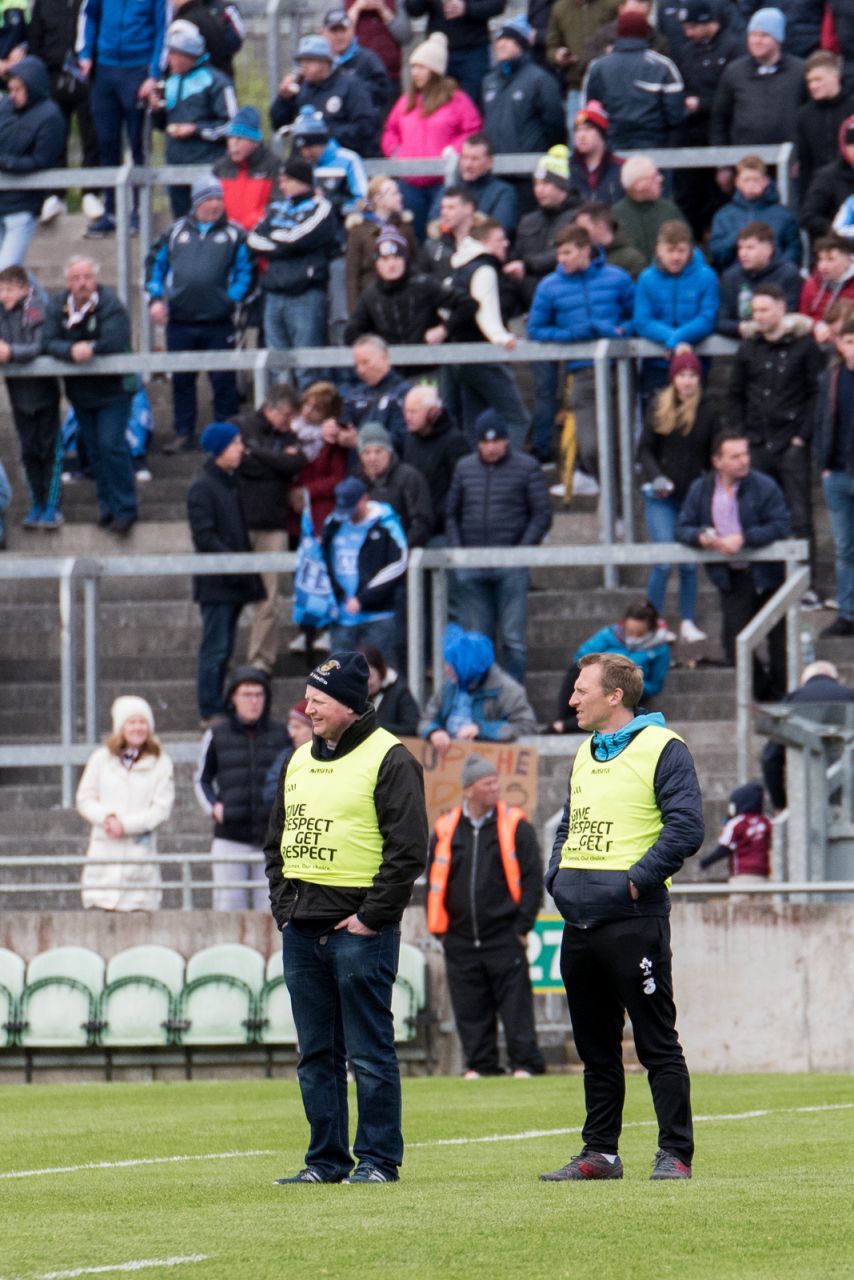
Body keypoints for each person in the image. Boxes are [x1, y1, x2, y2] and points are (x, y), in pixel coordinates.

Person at [264, 649, 428, 1185]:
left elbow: (407, 853)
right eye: (308, 696)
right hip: (303, 928)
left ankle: (378, 1161)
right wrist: (285, 910)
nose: (307, 706)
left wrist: (370, 918)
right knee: (316, 1055)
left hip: (360, 931)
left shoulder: (392, 759)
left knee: (369, 1051)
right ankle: (325, 1161)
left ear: (351, 706)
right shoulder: (297, 759)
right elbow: (276, 844)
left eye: (319, 698)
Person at [541, 651, 703, 1182]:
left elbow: (686, 829)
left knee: (657, 1043)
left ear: (615, 696)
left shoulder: (665, 747)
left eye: (581, 690)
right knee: (595, 1047)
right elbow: (568, 825)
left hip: (635, 921)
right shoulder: (585, 750)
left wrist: (634, 881)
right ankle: (600, 1153)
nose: (571, 699)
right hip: (579, 921)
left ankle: (675, 1153)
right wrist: (557, 877)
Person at [427, 752, 545, 1078]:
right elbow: (434, 883)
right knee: (470, 1009)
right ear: (468, 790)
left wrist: (522, 927)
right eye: (486, 783)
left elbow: (533, 878)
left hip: (504, 935)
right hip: (459, 938)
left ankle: (525, 1064)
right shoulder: (444, 829)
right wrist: (442, 933)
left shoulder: (516, 825)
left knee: (516, 1008)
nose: (494, 788)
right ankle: (480, 1065)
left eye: (495, 782)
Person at [676, 430, 791, 701]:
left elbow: (781, 524)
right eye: (735, 456)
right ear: (718, 461)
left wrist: (745, 539)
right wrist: (700, 537)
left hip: (767, 574)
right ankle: (766, 695)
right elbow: (682, 527)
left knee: (778, 642)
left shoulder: (764, 485)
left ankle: (783, 696)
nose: (743, 461)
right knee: (733, 643)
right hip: (732, 577)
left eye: (745, 454)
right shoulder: (701, 489)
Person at [145, 173, 254, 454]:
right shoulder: (174, 233)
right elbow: (155, 267)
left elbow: (246, 273)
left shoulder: (234, 233)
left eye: (219, 198)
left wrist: (231, 299)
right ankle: (183, 433)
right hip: (180, 322)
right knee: (182, 381)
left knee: (223, 383)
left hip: (220, 322)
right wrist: (156, 299)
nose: (215, 205)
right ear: (196, 202)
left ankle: (227, 436)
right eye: (209, 199)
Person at [727, 283, 823, 589]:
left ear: (782, 308)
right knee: (757, 514)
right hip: (756, 442)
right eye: (755, 311)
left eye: (765, 309)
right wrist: (741, 436)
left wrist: (801, 436)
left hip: (792, 441)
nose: (760, 316)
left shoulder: (805, 347)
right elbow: (734, 395)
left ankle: (805, 585)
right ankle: (764, 584)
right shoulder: (748, 348)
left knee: (800, 516)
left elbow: (815, 395)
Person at [446, 410, 552, 684]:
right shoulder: (464, 467)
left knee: (513, 639)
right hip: (472, 567)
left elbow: (542, 514)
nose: (491, 447)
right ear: (478, 442)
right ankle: (482, 700)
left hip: (511, 568)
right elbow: (451, 514)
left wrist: (521, 551)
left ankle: (513, 699)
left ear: (506, 440)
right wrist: (460, 554)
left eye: (496, 441)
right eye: (485, 442)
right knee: (478, 640)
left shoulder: (526, 466)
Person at [528, 223, 634, 477]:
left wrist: (619, 330)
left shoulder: (617, 277)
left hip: (619, 370)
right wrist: (570, 336)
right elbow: (536, 329)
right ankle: (615, 505)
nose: (561, 259)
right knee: (591, 449)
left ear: (585, 249)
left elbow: (636, 317)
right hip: (582, 373)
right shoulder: (549, 286)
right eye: (559, 254)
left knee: (622, 447)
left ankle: (620, 510)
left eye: (567, 252)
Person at [42, 255, 137, 535]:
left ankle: (126, 509)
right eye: (76, 278)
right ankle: (107, 507)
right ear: (68, 282)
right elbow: (48, 341)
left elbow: (117, 339)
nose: (83, 283)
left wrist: (90, 348)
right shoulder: (58, 305)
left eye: (87, 277)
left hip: (115, 390)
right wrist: (70, 351)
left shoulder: (109, 303)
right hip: (81, 392)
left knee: (111, 445)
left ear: (95, 279)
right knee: (94, 452)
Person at [186, 422, 265, 725]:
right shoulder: (203, 486)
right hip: (217, 582)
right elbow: (204, 536)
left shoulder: (228, 481)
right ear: (219, 450)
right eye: (234, 444)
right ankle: (209, 709)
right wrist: (233, 563)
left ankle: (217, 705)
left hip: (231, 580)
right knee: (215, 648)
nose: (241, 449)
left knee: (224, 647)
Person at [636, 350, 715, 641]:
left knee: (689, 562)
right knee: (663, 559)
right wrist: (656, 475)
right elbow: (645, 448)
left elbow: (713, 453)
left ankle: (688, 620)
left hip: (693, 497)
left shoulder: (708, 410)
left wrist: (706, 485)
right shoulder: (659, 404)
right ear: (673, 378)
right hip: (661, 496)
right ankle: (653, 623)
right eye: (682, 375)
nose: (687, 381)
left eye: (692, 375)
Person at [195, 666, 289, 910]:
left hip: (272, 839)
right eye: (247, 694)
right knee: (227, 906)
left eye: (259, 694)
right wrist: (214, 808)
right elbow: (201, 779)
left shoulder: (282, 734)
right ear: (233, 698)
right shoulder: (217, 734)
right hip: (230, 836)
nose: (254, 701)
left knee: (271, 909)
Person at [232, 384, 306, 674]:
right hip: (239, 521)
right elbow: (241, 464)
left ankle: (261, 661)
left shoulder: (290, 436)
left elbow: (294, 464)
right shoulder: (241, 426)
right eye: (286, 416)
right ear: (270, 409)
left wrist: (258, 454)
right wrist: (276, 460)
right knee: (230, 595)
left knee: (269, 597)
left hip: (274, 525)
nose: (290, 423)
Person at [247, 157, 338, 392]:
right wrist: (282, 244)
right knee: (278, 369)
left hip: (305, 295)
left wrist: (277, 240)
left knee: (307, 368)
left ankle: (308, 425)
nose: (282, 185)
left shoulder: (321, 207)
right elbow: (254, 239)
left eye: (287, 180)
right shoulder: (276, 208)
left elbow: (299, 238)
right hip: (274, 293)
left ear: (302, 181)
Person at [76, 695, 175, 912]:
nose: (138, 728)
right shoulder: (101, 759)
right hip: (104, 853)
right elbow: (85, 798)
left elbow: (161, 809)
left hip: (139, 858)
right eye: (132, 722)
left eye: (142, 722)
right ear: (121, 726)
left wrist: (126, 825)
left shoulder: (161, 762)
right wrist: (107, 818)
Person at [381, 32, 482, 239]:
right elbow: (390, 131)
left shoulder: (457, 100)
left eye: (421, 67)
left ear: (434, 70)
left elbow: (473, 130)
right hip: (409, 182)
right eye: (413, 67)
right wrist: (395, 151)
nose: (415, 73)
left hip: (442, 181)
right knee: (410, 233)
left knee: (437, 234)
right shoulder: (405, 102)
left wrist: (453, 150)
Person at [78, 0, 165, 238]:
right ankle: (111, 211)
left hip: (138, 71)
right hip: (105, 70)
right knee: (106, 143)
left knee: (138, 144)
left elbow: (162, 29)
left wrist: (154, 74)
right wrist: (86, 53)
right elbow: (90, 15)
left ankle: (138, 210)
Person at [442, 219, 530, 450]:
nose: (506, 244)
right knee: (517, 419)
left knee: (475, 423)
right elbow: (484, 310)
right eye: (500, 240)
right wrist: (501, 337)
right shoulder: (484, 269)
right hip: (483, 355)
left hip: (460, 356)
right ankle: (507, 474)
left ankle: (477, 478)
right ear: (485, 243)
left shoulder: (459, 269)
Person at [150, 21, 237, 218]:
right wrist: (156, 111)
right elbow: (161, 125)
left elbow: (232, 126)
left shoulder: (217, 81)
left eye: (173, 54)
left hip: (208, 169)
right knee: (181, 223)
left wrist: (195, 130)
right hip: (175, 168)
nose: (169, 59)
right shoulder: (169, 82)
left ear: (186, 55)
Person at [27, 0, 102, 226]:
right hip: (53, 76)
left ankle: (91, 192)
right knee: (53, 135)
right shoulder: (44, 4)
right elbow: (35, 43)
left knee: (93, 134)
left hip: (89, 74)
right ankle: (54, 194)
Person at [0, 265, 63, 529]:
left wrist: (11, 353)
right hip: (18, 394)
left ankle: (52, 506)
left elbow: (40, 346)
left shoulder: (36, 308)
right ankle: (35, 503)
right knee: (28, 451)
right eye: (1, 289)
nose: (4, 295)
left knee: (48, 449)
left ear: (25, 289)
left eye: (9, 289)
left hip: (43, 392)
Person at [551, 601, 672, 733]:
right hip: (600, 682)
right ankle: (562, 719)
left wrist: (631, 680)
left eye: (640, 633)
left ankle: (563, 726)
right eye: (630, 631)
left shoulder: (660, 649)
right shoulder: (610, 635)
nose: (634, 637)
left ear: (650, 630)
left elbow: (656, 684)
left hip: (628, 691)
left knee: (610, 698)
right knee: (578, 673)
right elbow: (582, 657)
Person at [321, 476, 408, 656]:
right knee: (338, 679)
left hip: (377, 616)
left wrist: (364, 598)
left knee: (375, 675)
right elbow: (324, 560)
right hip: (341, 617)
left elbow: (399, 563)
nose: (349, 514)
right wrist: (336, 595)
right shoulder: (333, 523)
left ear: (364, 499)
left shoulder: (385, 523)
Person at [582, 10, 685, 151]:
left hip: (612, 146)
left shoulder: (598, 66)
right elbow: (675, 114)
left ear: (618, 33)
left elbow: (591, 109)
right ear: (645, 32)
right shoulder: (662, 65)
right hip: (654, 144)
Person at [481, 17, 566, 187]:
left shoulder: (540, 80)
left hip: (528, 175)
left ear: (521, 44)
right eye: (499, 40)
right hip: (495, 175)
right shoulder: (489, 81)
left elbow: (555, 126)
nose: (501, 44)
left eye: (508, 40)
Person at [420, 625, 539, 745]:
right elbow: (426, 719)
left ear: (468, 667)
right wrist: (433, 731)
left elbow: (527, 727)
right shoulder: (448, 688)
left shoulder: (508, 691)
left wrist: (482, 729)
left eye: (453, 665)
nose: (447, 669)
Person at [0, 56, 66, 269]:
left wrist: (6, 163)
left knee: (6, 271)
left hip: (22, 206)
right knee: (12, 274)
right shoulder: (4, 108)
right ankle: (43, 303)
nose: (13, 96)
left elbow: (42, 161)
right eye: (11, 90)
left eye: (18, 90)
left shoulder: (50, 116)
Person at [760, 661, 854, 809]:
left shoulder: (792, 701)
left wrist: (780, 804)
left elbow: (770, 759)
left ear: (804, 681)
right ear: (836, 678)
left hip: (806, 795)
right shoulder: (850, 696)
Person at [269, 34, 378, 158]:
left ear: (325, 62)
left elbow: (365, 128)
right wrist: (284, 99)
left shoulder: (350, 86)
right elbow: (277, 124)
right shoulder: (301, 88)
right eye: (301, 61)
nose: (304, 66)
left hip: (339, 162)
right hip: (304, 166)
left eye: (309, 60)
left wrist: (322, 133)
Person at [343, 225, 451, 349]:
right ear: (377, 263)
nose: (391, 264)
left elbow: (465, 306)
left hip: (429, 363)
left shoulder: (425, 284)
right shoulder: (371, 294)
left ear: (405, 260)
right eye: (385, 259)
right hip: (388, 364)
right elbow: (351, 334)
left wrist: (443, 329)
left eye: (396, 257)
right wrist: (375, 345)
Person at [710, 7, 806, 148]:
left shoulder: (799, 70)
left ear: (778, 39)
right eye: (753, 35)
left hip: (789, 158)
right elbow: (719, 119)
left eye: (764, 35)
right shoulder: (734, 72)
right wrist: (722, 162)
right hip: (746, 161)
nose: (757, 41)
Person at [815, 318, 854, 638]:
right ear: (839, 344)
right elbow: (821, 421)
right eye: (849, 341)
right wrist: (823, 464)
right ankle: (847, 613)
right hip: (838, 473)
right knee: (844, 547)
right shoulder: (831, 377)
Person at [708, 155, 801, 271]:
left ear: (765, 181)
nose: (751, 184)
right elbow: (717, 254)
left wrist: (778, 271)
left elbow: (794, 250)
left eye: (756, 179)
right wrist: (737, 236)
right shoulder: (724, 215)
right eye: (746, 180)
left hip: (775, 279)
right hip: (736, 279)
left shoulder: (784, 215)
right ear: (737, 182)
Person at [401, 384, 470, 538]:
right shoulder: (409, 440)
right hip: (416, 524)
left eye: (413, 411)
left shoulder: (454, 441)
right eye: (406, 411)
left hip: (442, 528)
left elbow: (461, 487)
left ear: (433, 412)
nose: (407, 417)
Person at [404, 0, 502, 105]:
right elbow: (413, 9)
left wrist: (466, 8)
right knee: (434, 105)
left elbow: (497, 5)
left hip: (473, 51)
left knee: (472, 105)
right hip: (438, 54)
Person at [717, 220, 803, 338]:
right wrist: (743, 328)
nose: (743, 253)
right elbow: (720, 321)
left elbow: (790, 316)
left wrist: (755, 328)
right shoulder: (731, 277)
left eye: (750, 248)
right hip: (739, 344)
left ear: (768, 249)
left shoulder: (788, 273)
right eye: (740, 248)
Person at [345, 175, 417, 309]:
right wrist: (355, 314)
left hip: (402, 301)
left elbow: (414, 266)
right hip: (371, 303)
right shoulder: (358, 231)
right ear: (378, 199)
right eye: (394, 193)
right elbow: (352, 276)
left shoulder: (405, 228)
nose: (400, 197)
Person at [357, 421, 433, 548]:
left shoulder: (409, 477)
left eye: (378, 451)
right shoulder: (357, 481)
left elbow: (422, 522)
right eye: (367, 452)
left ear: (389, 452)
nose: (372, 458)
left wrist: (399, 550)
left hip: (402, 554)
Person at [429, 132, 518, 234]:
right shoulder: (448, 190)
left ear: (490, 163)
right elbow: (434, 223)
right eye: (465, 157)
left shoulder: (503, 192)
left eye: (474, 159)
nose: (468, 164)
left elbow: (501, 229)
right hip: (450, 247)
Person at [796, 51, 854, 208]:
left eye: (818, 80)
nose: (813, 86)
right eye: (809, 81)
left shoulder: (852, 108)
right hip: (819, 193)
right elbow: (805, 163)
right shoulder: (803, 116)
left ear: (835, 76)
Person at [213, 107, 279, 233]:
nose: (233, 143)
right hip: (226, 239)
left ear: (255, 141)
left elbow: (278, 206)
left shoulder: (273, 165)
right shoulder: (220, 168)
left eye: (240, 138)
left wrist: (252, 225)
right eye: (230, 138)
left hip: (260, 237)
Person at [612, 156, 686, 267]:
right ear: (638, 185)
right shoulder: (615, 216)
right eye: (654, 176)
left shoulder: (670, 211)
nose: (660, 179)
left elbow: (688, 246)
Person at [342, 335, 411, 449]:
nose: (360, 370)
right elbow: (343, 420)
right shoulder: (355, 394)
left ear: (384, 357)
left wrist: (362, 442)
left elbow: (403, 438)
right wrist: (334, 430)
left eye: (365, 362)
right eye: (357, 365)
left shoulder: (404, 393)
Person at [699, 781, 771, 882]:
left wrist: (706, 862)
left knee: (741, 897)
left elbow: (725, 848)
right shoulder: (765, 821)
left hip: (742, 875)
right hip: (762, 875)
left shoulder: (737, 823)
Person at [323, 6, 390, 114]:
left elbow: (383, 92)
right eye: (334, 31)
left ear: (352, 31)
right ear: (324, 33)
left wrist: (351, 86)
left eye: (343, 30)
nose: (339, 36)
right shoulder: (318, 60)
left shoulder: (368, 59)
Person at [800, 113, 854, 241]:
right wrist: (837, 230)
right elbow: (809, 217)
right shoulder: (827, 177)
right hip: (839, 249)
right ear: (843, 147)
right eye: (852, 144)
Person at [345, 0, 413, 100]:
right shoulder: (343, 3)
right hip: (353, 77)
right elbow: (334, 38)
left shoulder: (395, 2)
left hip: (390, 77)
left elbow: (406, 36)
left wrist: (383, 10)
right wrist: (356, 8)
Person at [261, 700, 315, 812]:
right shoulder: (286, 756)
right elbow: (270, 794)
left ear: (314, 728)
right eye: (291, 727)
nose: (291, 734)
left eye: (297, 727)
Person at [358, 642, 420, 736]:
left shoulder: (400, 693)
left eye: (370, 676)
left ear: (380, 671)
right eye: (361, 678)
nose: (366, 683)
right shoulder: (355, 697)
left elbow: (412, 728)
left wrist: (375, 727)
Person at [569, 101, 624, 207]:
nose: (581, 135)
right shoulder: (567, 168)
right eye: (578, 130)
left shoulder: (621, 168)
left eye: (588, 129)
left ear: (601, 133)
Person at [798, 234, 854, 339]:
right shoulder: (811, 284)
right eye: (820, 259)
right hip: (813, 341)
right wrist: (817, 326)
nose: (823, 266)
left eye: (830, 259)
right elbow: (803, 316)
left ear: (848, 261)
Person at [419, 184, 477, 282]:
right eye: (442, 208)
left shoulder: (484, 242)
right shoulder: (432, 247)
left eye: (451, 207)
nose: (444, 213)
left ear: (468, 208)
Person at [574, 202, 646, 280]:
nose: (579, 235)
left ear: (602, 226)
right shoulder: (582, 257)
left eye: (583, 230)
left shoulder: (632, 259)